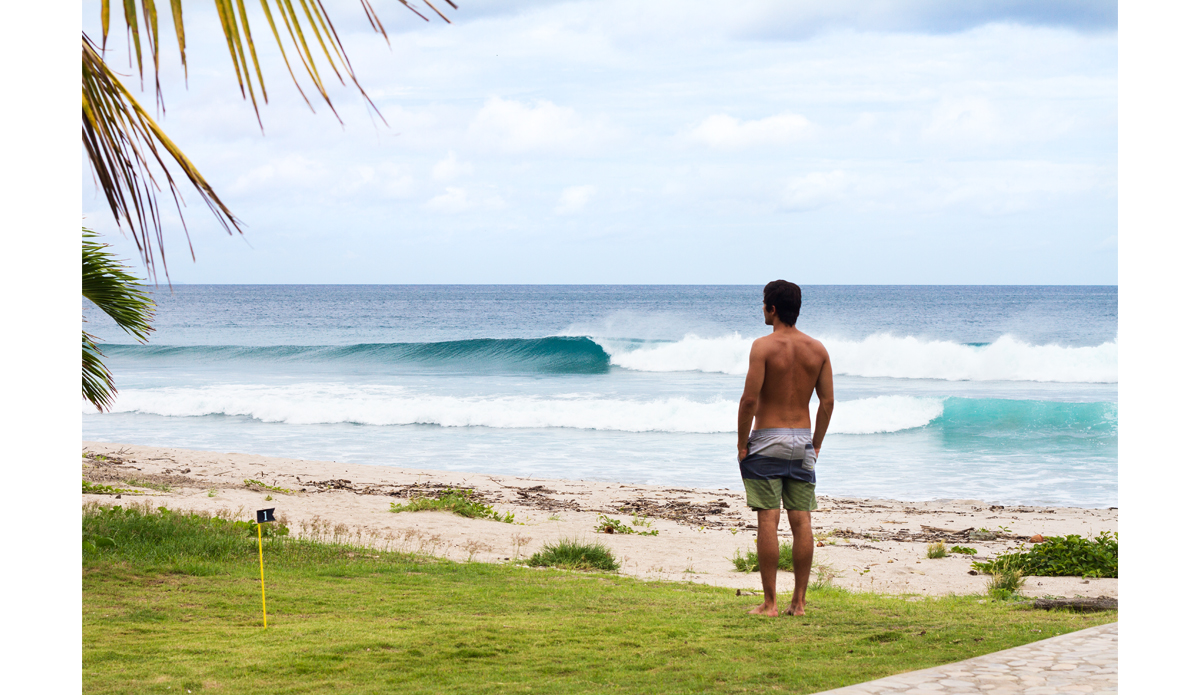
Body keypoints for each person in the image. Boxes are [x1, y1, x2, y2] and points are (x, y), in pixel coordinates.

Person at [737, 280, 834, 617]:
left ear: (773, 309)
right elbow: (827, 403)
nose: (763, 310)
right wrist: (815, 443)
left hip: (767, 439)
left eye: (764, 304)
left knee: (768, 519)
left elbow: (749, 400)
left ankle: (770, 603)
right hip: (802, 439)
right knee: (801, 520)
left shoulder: (763, 346)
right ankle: (799, 603)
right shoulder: (817, 349)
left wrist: (741, 443)